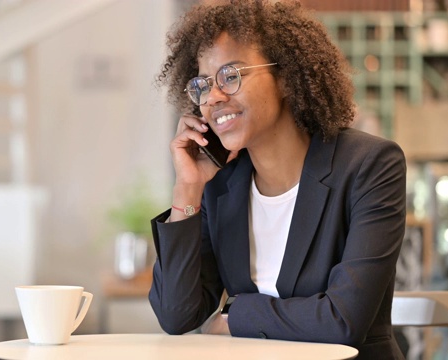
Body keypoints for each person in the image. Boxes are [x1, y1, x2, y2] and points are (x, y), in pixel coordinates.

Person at [148, 1, 407, 359]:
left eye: (231, 75)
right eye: (203, 84)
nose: (214, 97)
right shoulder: (222, 186)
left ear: (285, 76)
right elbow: (176, 315)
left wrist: (234, 315)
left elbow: (343, 321)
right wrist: (188, 188)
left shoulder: (368, 166)